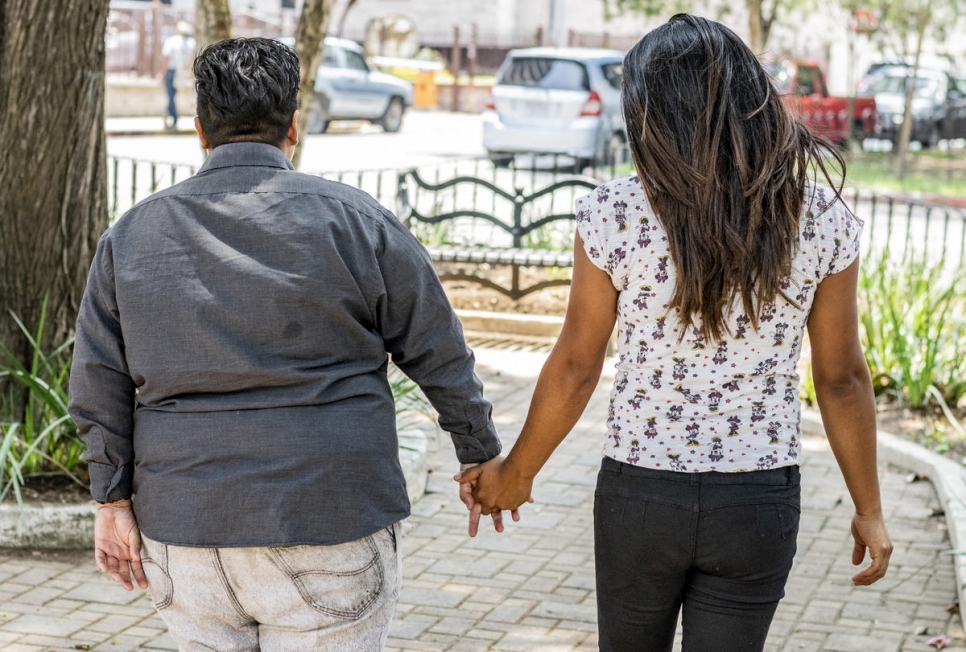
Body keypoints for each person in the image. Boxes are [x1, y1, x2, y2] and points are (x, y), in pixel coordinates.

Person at [458, 14, 893, 652]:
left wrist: (517, 473)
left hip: (640, 494)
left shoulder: (613, 212)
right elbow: (841, 378)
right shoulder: (822, 217)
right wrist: (870, 509)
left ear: (648, 114)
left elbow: (578, 365)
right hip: (759, 497)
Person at [69, 37, 507, 650]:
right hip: (330, 515)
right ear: (294, 127)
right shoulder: (359, 222)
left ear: (199, 130)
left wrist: (111, 501)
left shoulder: (131, 237)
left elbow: (98, 379)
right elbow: (439, 349)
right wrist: (479, 450)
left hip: (185, 528)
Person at [161, 21, 196, 130]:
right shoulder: (191, 43)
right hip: (183, 72)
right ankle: (168, 112)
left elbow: (166, 59)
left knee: (170, 95)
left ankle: (172, 115)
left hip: (172, 71)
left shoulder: (172, 41)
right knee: (173, 94)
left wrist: (162, 73)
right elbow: (192, 60)